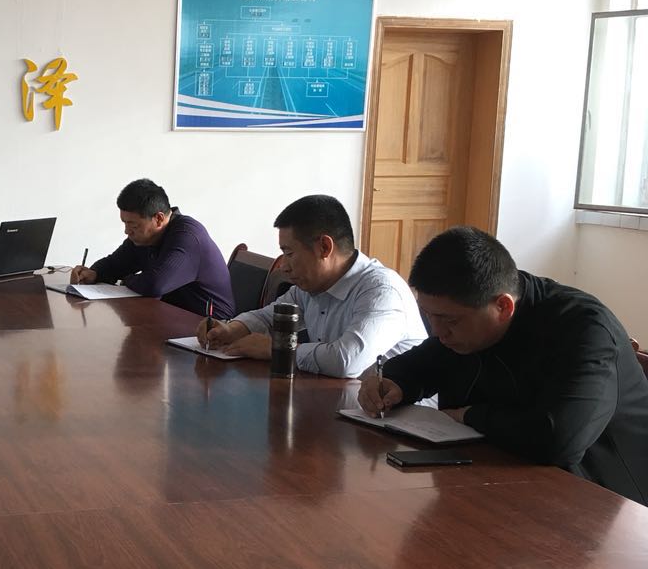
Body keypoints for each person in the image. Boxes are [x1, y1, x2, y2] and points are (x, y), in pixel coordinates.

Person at [358, 226, 648, 503]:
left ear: (503, 306)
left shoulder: (584, 330)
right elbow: (423, 363)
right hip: (493, 480)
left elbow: (558, 439)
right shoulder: (468, 320)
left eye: (449, 320)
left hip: (604, 500)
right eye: (429, 315)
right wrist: (393, 382)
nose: (437, 331)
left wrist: (470, 415)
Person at [195, 194, 426, 376]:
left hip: (402, 417)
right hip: (343, 404)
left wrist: (275, 349)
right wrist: (232, 329)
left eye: (289, 254)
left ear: (324, 247)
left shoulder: (382, 291)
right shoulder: (311, 287)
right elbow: (269, 317)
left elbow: (346, 361)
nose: (283, 266)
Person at [70, 177, 234, 318]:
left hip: (208, 326)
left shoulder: (188, 236)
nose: (127, 231)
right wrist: (95, 273)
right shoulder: (146, 237)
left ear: (159, 219)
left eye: (133, 225)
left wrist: (124, 280)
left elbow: (155, 285)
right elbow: (115, 263)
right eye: (124, 223)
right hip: (167, 316)